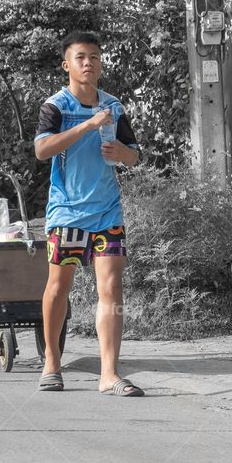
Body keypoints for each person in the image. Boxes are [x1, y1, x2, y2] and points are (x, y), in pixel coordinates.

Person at [34, 31, 143, 396]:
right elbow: (42, 150)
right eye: (80, 57)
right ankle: (52, 362)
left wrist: (122, 154)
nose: (88, 63)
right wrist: (87, 125)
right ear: (66, 64)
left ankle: (108, 373)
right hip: (67, 212)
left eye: (94, 57)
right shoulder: (56, 106)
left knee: (111, 286)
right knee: (58, 287)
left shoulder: (114, 106)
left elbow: (134, 156)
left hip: (107, 211)